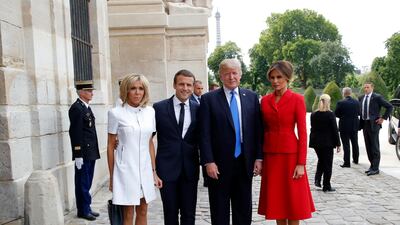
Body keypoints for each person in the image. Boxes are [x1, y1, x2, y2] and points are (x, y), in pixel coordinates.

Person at [199, 58, 263, 225]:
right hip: (218, 166)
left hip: (245, 162)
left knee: (243, 210)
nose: (231, 77)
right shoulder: (208, 99)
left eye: (234, 73)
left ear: (240, 75)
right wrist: (208, 161)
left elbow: (257, 131)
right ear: (221, 76)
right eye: (227, 73)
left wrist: (258, 157)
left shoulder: (251, 97)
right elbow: (203, 134)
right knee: (219, 211)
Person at [258, 60, 315, 225]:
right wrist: (260, 159)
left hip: (291, 157)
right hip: (271, 158)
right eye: (272, 77)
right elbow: (261, 131)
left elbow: (303, 134)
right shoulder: (265, 101)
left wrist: (301, 163)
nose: (275, 81)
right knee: (277, 202)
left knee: (293, 203)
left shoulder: (297, 99)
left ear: (288, 78)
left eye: (279, 77)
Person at [107, 74, 162, 225]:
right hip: (125, 169)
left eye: (141, 88)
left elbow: (149, 142)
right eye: (133, 88)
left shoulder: (150, 112)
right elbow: (111, 145)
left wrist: (154, 171)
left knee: (143, 210)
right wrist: (112, 176)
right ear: (126, 90)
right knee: (128, 213)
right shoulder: (115, 113)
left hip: (145, 169)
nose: (137, 92)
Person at [153, 69, 200, 225]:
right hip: (166, 170)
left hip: (190, 169)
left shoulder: (198, 109)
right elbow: (146, 138)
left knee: (189, 214)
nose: (185, 88)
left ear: (193, 87)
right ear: (174, 85)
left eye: (189, 85)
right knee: (170, 213)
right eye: (181, 84)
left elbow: (206, 137)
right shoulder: (158, 108)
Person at [68, 80, 101, 221]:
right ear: (81, 92)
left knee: (87, 181)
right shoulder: (77, 108)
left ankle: (86, 207)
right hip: (84, 153)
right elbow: (75, 132)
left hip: (90, 152)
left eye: (91, 90)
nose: (91, 93)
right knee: (82, 182)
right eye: (88, 91)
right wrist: (78, 154)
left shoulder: (85, 107)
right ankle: (83, 210)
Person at [359, 81, 393, 176]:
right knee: (368, 146)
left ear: (372, 88)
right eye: (365, 87)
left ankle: (375, 168)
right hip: (365, 124)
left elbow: (389, 106)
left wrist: (383, 118)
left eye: (368, 87)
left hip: (374, 124)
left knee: (374, 147)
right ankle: (372, 166)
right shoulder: (361, 98)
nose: (366, 89)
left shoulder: (377, 97)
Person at [309, 94, 341, 192]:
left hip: (317, 142)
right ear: (329, 102)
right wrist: (338, 144)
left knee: (321, 160)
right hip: (327, 143)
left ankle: (317, 180)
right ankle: (326, 185)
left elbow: (313, 128)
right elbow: (335, 130)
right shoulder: (330, 114)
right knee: (327, 164)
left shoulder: (314, 114)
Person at [334, 87, 360, 167]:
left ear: (344, 93)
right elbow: (359, 113)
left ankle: (347, 162)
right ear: (350, 93)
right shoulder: (357, 102)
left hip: (344, 126)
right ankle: (356, 160)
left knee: (346, 144)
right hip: (354, 125)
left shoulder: (340, 102)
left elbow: (336, 114)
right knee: (355, 143)